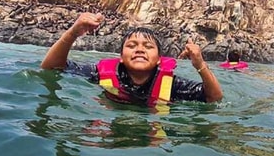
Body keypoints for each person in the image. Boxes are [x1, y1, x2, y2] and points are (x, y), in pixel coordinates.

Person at [40, 12, 223, 106]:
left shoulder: (172, 84)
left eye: (148, 47)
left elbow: (214, 98)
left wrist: (200, 64)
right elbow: (51, 68)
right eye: (132, 45)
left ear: (159, 60)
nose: (140, 50)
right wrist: (73, 33)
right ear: (120, 58)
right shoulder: (100, 73)